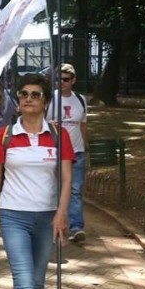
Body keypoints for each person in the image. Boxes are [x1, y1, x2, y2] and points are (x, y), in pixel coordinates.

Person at [0, 73, 73, 289]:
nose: (29, 99)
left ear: (45, 101)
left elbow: (67, 178)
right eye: (24, 94)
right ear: (18, 100)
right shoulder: (5, 135)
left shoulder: (59, 134)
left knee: (37, 282)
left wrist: (61, 213)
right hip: (13, 216)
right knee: (23, 282)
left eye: (35, 94)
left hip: (47, 217)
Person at [47, 64, 89, 242]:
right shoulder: (51, 99)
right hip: (56, 151)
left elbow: (83, 124)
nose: (61, 83)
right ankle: (53, 223)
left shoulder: (80, 99)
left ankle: (76, 226)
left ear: (73, 80)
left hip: (76, 152)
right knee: (53, 189)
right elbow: (44, 124)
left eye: (65, 79)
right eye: (58, 79)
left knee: (75, 189)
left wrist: (85, 146)